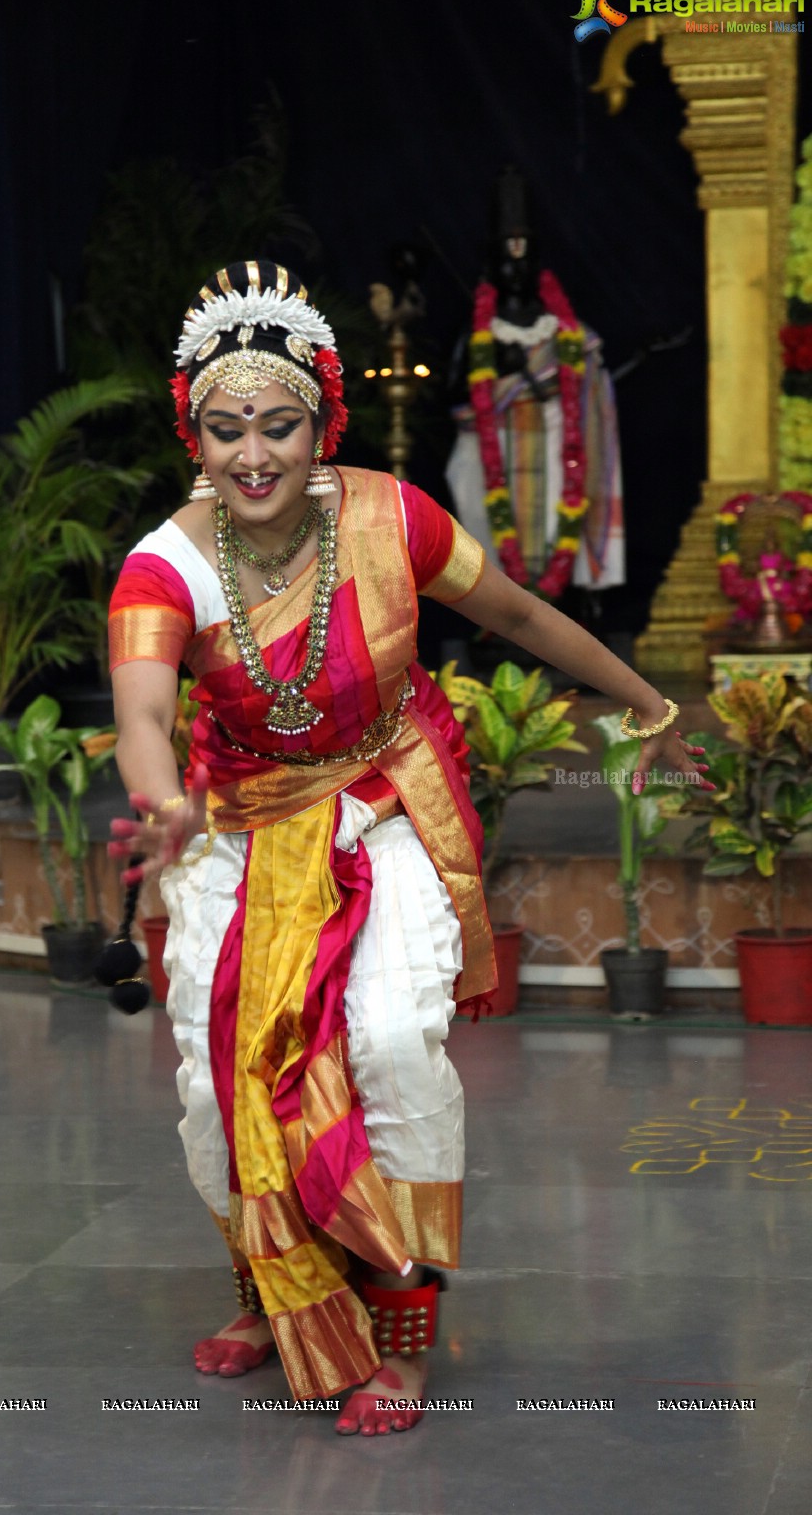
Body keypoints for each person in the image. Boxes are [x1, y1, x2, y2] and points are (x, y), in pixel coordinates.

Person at [106, 259, 711, 1438]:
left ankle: (403, 1322)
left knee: (385, 1045)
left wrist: (648, 706)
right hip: (231, 831)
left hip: (381, 810)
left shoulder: (391, 519)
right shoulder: (164, 564)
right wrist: (159, 801)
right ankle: (271, 1288)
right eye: (227, 431)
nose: (254, 455)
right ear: (196, 434)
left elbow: (523, 617)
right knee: (216, 1081)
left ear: (321, 421)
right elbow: (140, 709)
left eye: (278, 425)